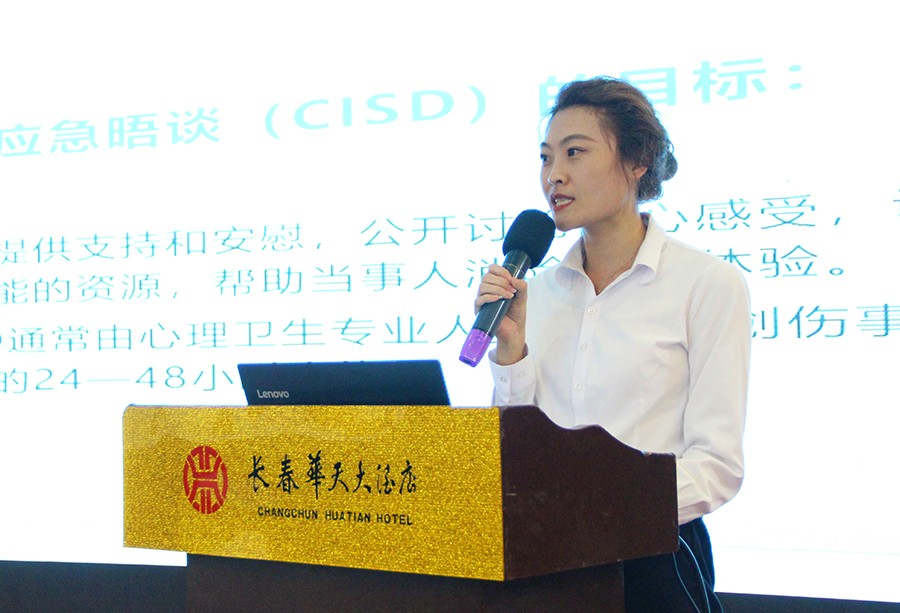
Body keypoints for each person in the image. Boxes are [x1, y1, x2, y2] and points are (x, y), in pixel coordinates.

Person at [474, 76, 750, 612]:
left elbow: (717, 464)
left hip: (655, 558)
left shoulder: (705, 283)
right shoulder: (538, 292)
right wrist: (510, 351)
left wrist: (606, 512)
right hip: (544, 556)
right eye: (546, 157)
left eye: (575, 152)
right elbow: (518, 450)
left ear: (638, 160)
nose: (554, 174)